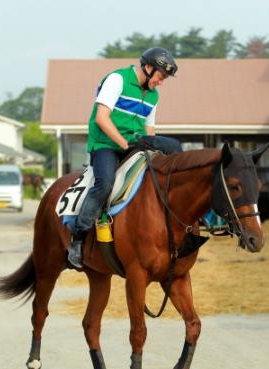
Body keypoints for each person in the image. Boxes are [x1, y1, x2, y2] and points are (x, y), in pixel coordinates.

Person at [68, 47, 183, 269]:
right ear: (148, 68)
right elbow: (102, 118)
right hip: (106, 145)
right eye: (161, 76)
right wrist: (125, 144)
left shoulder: (154, 95)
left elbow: (150, 130)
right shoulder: (117, 80)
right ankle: (78, 237)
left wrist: (154, 154)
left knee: (174, 147)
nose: (162, 82)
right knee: (104, 185)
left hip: (137, 142)